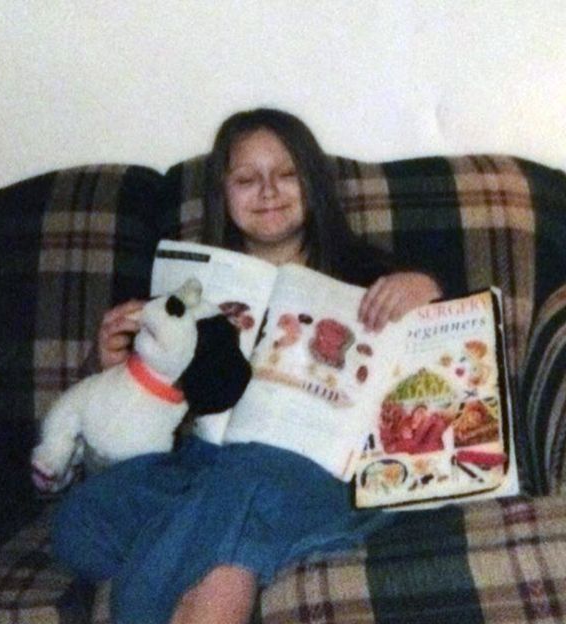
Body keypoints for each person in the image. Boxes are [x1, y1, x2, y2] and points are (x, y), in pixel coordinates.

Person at [52, 108, 443, 624]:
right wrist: (113, 369)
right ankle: (222, 539)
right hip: (203, 467)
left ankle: (181, 578)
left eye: (286, 174)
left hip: (313, 472)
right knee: (81, 522)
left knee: (244, 487)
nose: (268, 191)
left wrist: (427, 290)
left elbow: (446, 358)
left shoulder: (367, 273)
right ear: (223, 192)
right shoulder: (194, 286)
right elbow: (135, 428)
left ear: (313, 182)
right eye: (246, 179)